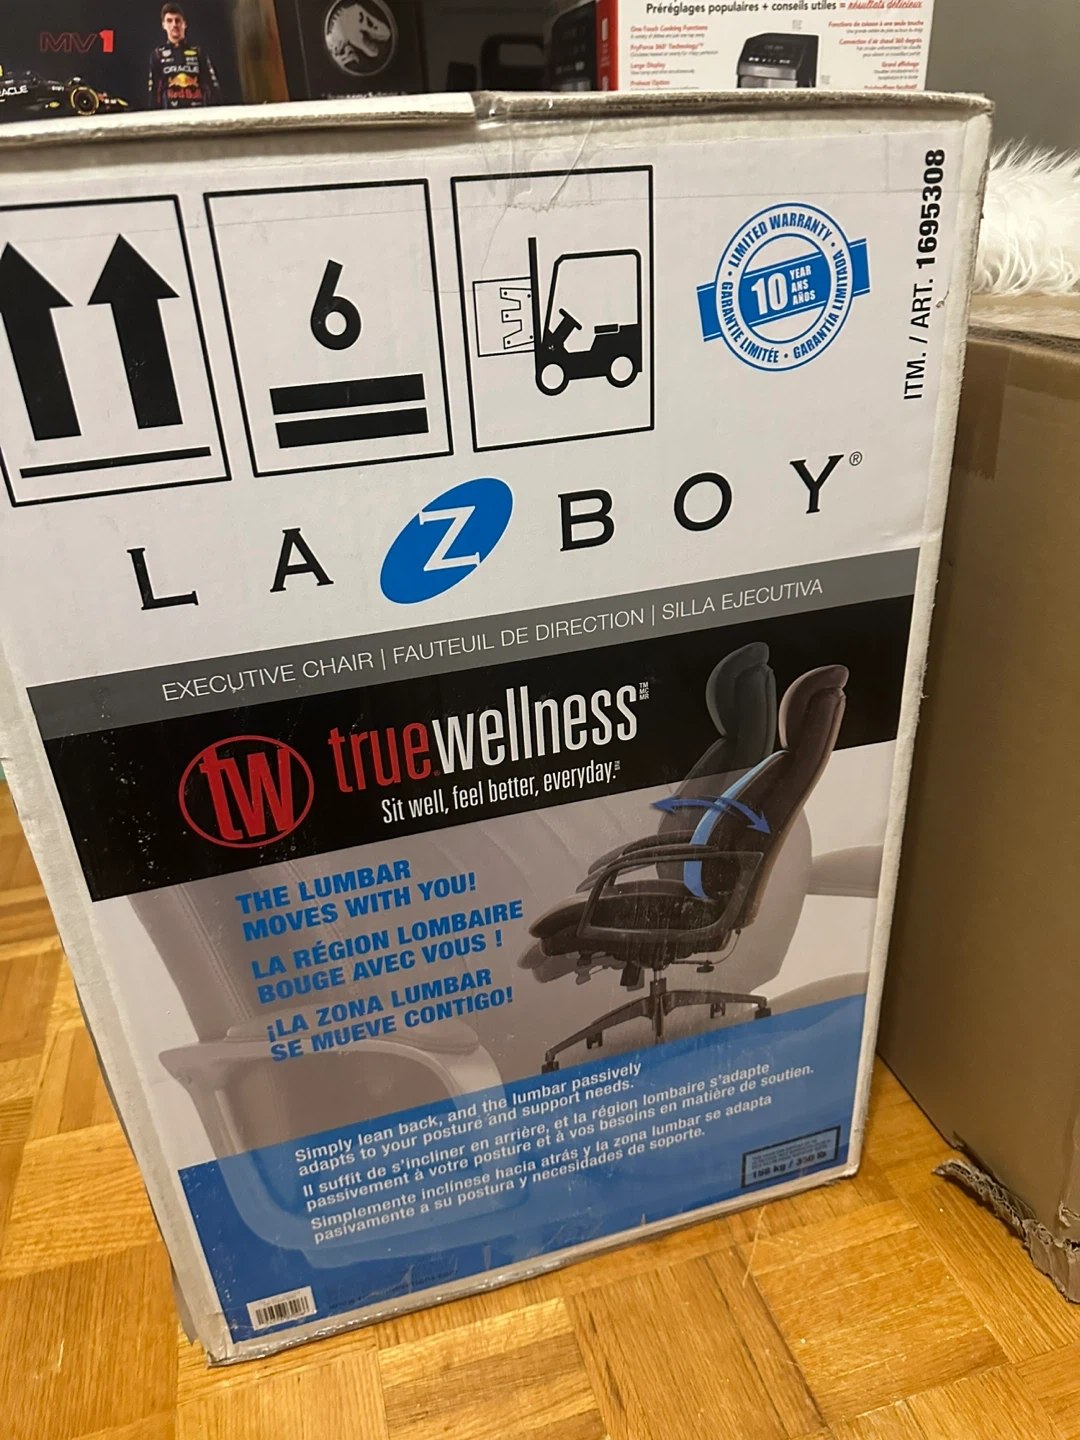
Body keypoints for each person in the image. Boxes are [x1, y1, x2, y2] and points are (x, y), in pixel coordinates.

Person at [149, 4, 221, 109]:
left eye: (177, 20)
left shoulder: (198, 52)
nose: (174, 25)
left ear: (184, 24)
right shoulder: (157, 54)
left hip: (197, 112)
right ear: (163, 25)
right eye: (169, 21)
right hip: (169, 114)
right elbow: (154, 92)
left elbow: (212, 86)